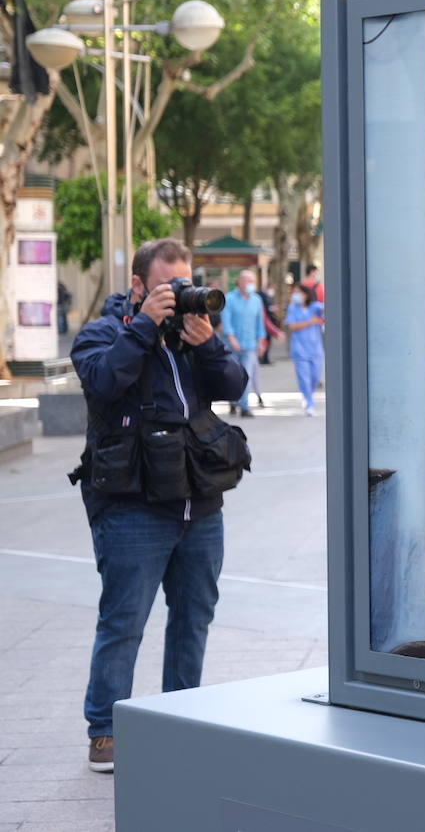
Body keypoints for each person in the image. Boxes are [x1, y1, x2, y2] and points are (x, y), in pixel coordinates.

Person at [70, 238, 249, 773]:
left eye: (187, 284)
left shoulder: (193, 340)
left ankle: (181, 716)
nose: (183, 297)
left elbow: (234, 384)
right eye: (172, 288)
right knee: (124, 621)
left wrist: (210, 344)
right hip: (132, 506)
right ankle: (104, 730)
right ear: (140, 286)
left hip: (199, 503)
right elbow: (104, 383)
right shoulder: (104, 333)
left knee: (194, 617)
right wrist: (144, 327)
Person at [222, 269, 267, 416]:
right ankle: (234, 401)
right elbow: (226, 321)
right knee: (233, 375)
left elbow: (260, 323)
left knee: (246, 375)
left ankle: (244, 406)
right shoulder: (229, 299)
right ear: (239, 282)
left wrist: (261, 341)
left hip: (249, 345)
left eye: (252, 281)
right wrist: (231, 338)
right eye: (248, 281)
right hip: (232, 345)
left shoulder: (256, 300)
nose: (251, 284)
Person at [284, 281, 325, 416]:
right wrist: (310, 322)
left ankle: (309, 396)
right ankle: (309, 403)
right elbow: (292, 326)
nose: (295, 295)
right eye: (294, 293)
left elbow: (326, 310)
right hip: (300, 350)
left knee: (314, 377)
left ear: (306, 294)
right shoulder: (292, 308)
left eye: (298, 292)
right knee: (304, 378)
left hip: (315, 349)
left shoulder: (315, 307)